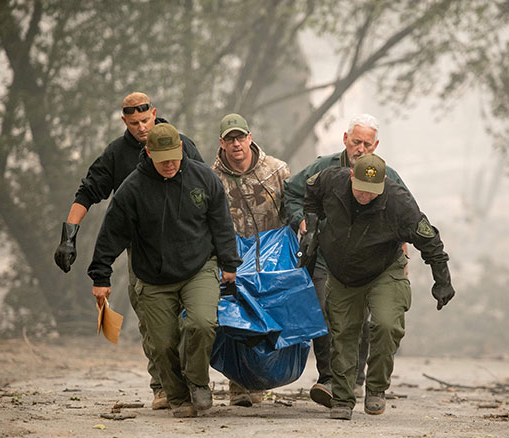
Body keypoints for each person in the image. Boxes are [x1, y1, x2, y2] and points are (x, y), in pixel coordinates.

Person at [53, 92, 204, 410]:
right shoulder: (117, 154)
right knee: (153, 320)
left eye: (146, 120)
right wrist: (69, 236)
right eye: (134, 123)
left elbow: (206, 190)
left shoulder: (182, 145)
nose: (141, 127)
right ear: (124, 121)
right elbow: (88, 191)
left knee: (191, 319)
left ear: (154, 113)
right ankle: (161, 385)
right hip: (143, 250)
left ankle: (190, 381)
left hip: (185, 246)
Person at [87, 123, 242, 418]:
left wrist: (229, 263)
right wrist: (100, 275)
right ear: (148, 153)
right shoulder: (132, 189)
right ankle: (177, 395)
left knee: (201, 323)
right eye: (162, 159)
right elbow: (111, 234)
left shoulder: (204, 178)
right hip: (153, 275)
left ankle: (197, 382)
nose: (169, 164)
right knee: (162, 342)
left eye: (174, 156)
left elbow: (221, 223)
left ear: (181, 149)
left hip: (199, 266)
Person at [304, 153, 455, 420]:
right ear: (351, 176)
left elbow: (430, 240)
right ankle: (342, 397)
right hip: (342, 272)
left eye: (372, 191)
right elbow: (311, 193)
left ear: (384, 181)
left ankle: (376, 387)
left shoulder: (399, 203)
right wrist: (313, 229)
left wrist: (442, 280)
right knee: (343, 333)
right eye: (361, 189)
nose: (365, 195)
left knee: (386, 325)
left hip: (384, 269)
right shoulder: (331, 180)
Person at [283, 113, 409, 408]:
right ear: (345, 140)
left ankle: (356, 379)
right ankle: (329, 378)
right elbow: (291, 191)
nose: (360, 149)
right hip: (327, 258)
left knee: (364, 320)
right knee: (326, 313)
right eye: (356, 142)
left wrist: (403, 248)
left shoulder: (387, 175)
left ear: (375, 146)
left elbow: (405, 213)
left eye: (367, 144)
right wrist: (301, 220)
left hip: (372, 264)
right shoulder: (323, 167)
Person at [211, 113, 291, 407]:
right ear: (221, 142)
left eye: (240, 137)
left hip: (272, 262)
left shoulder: (277, 171)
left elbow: (292, 209)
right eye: (230, 139)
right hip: (232, 261)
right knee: (236, 323)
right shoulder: (212, 178)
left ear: (250, 138)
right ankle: (239, 384)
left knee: (270, 323)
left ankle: (262, 379)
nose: (236, 144)